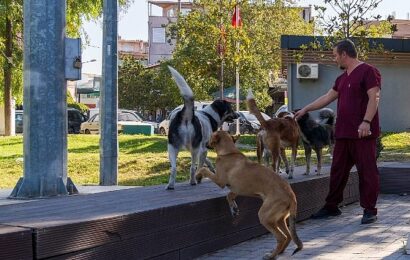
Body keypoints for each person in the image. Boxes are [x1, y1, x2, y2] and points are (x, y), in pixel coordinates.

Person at [294, 39, 381, 224]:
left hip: (362, 133)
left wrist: (366, 121)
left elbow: (375, 97)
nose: (334, 59)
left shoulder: (368, 71)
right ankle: (331, 207)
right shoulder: (341, 79)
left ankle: (369, 210)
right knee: (337, 171)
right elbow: (327, 97)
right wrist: (306, 109)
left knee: (367, 172)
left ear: (344, 54)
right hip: (343, 134)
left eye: (335, 55)